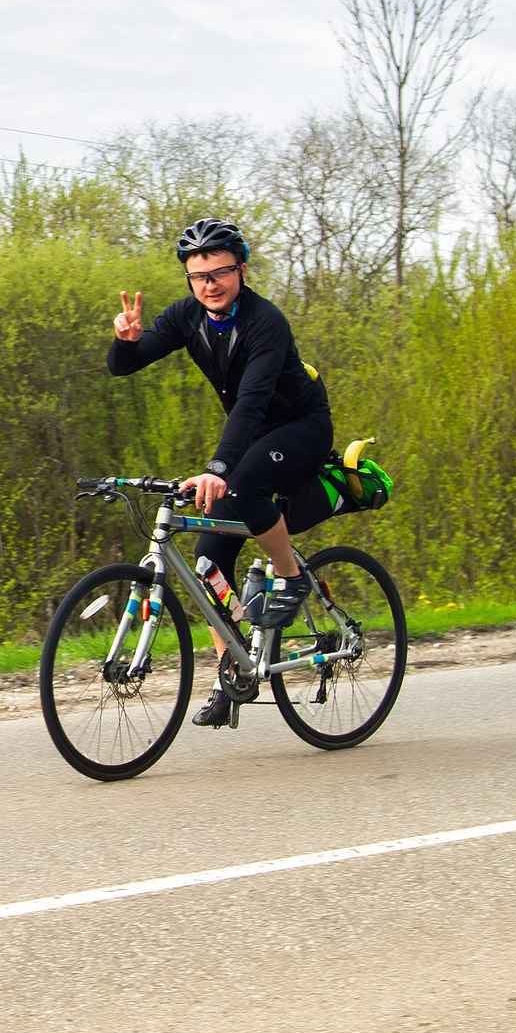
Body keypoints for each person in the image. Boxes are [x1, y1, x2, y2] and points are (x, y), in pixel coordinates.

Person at [108, 219, 332, 725]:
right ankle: (233, 671)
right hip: (252, 438)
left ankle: (291, 577)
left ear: (241, 270)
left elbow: (251, 402)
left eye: (220, 272)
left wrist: (217, 468)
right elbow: (124, 366)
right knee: (209, 559)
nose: (209, 284)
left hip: (300, 428)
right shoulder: (187, 316)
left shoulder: (266, 321)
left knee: (244, 485)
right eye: (198, 275)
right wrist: (126, 341)